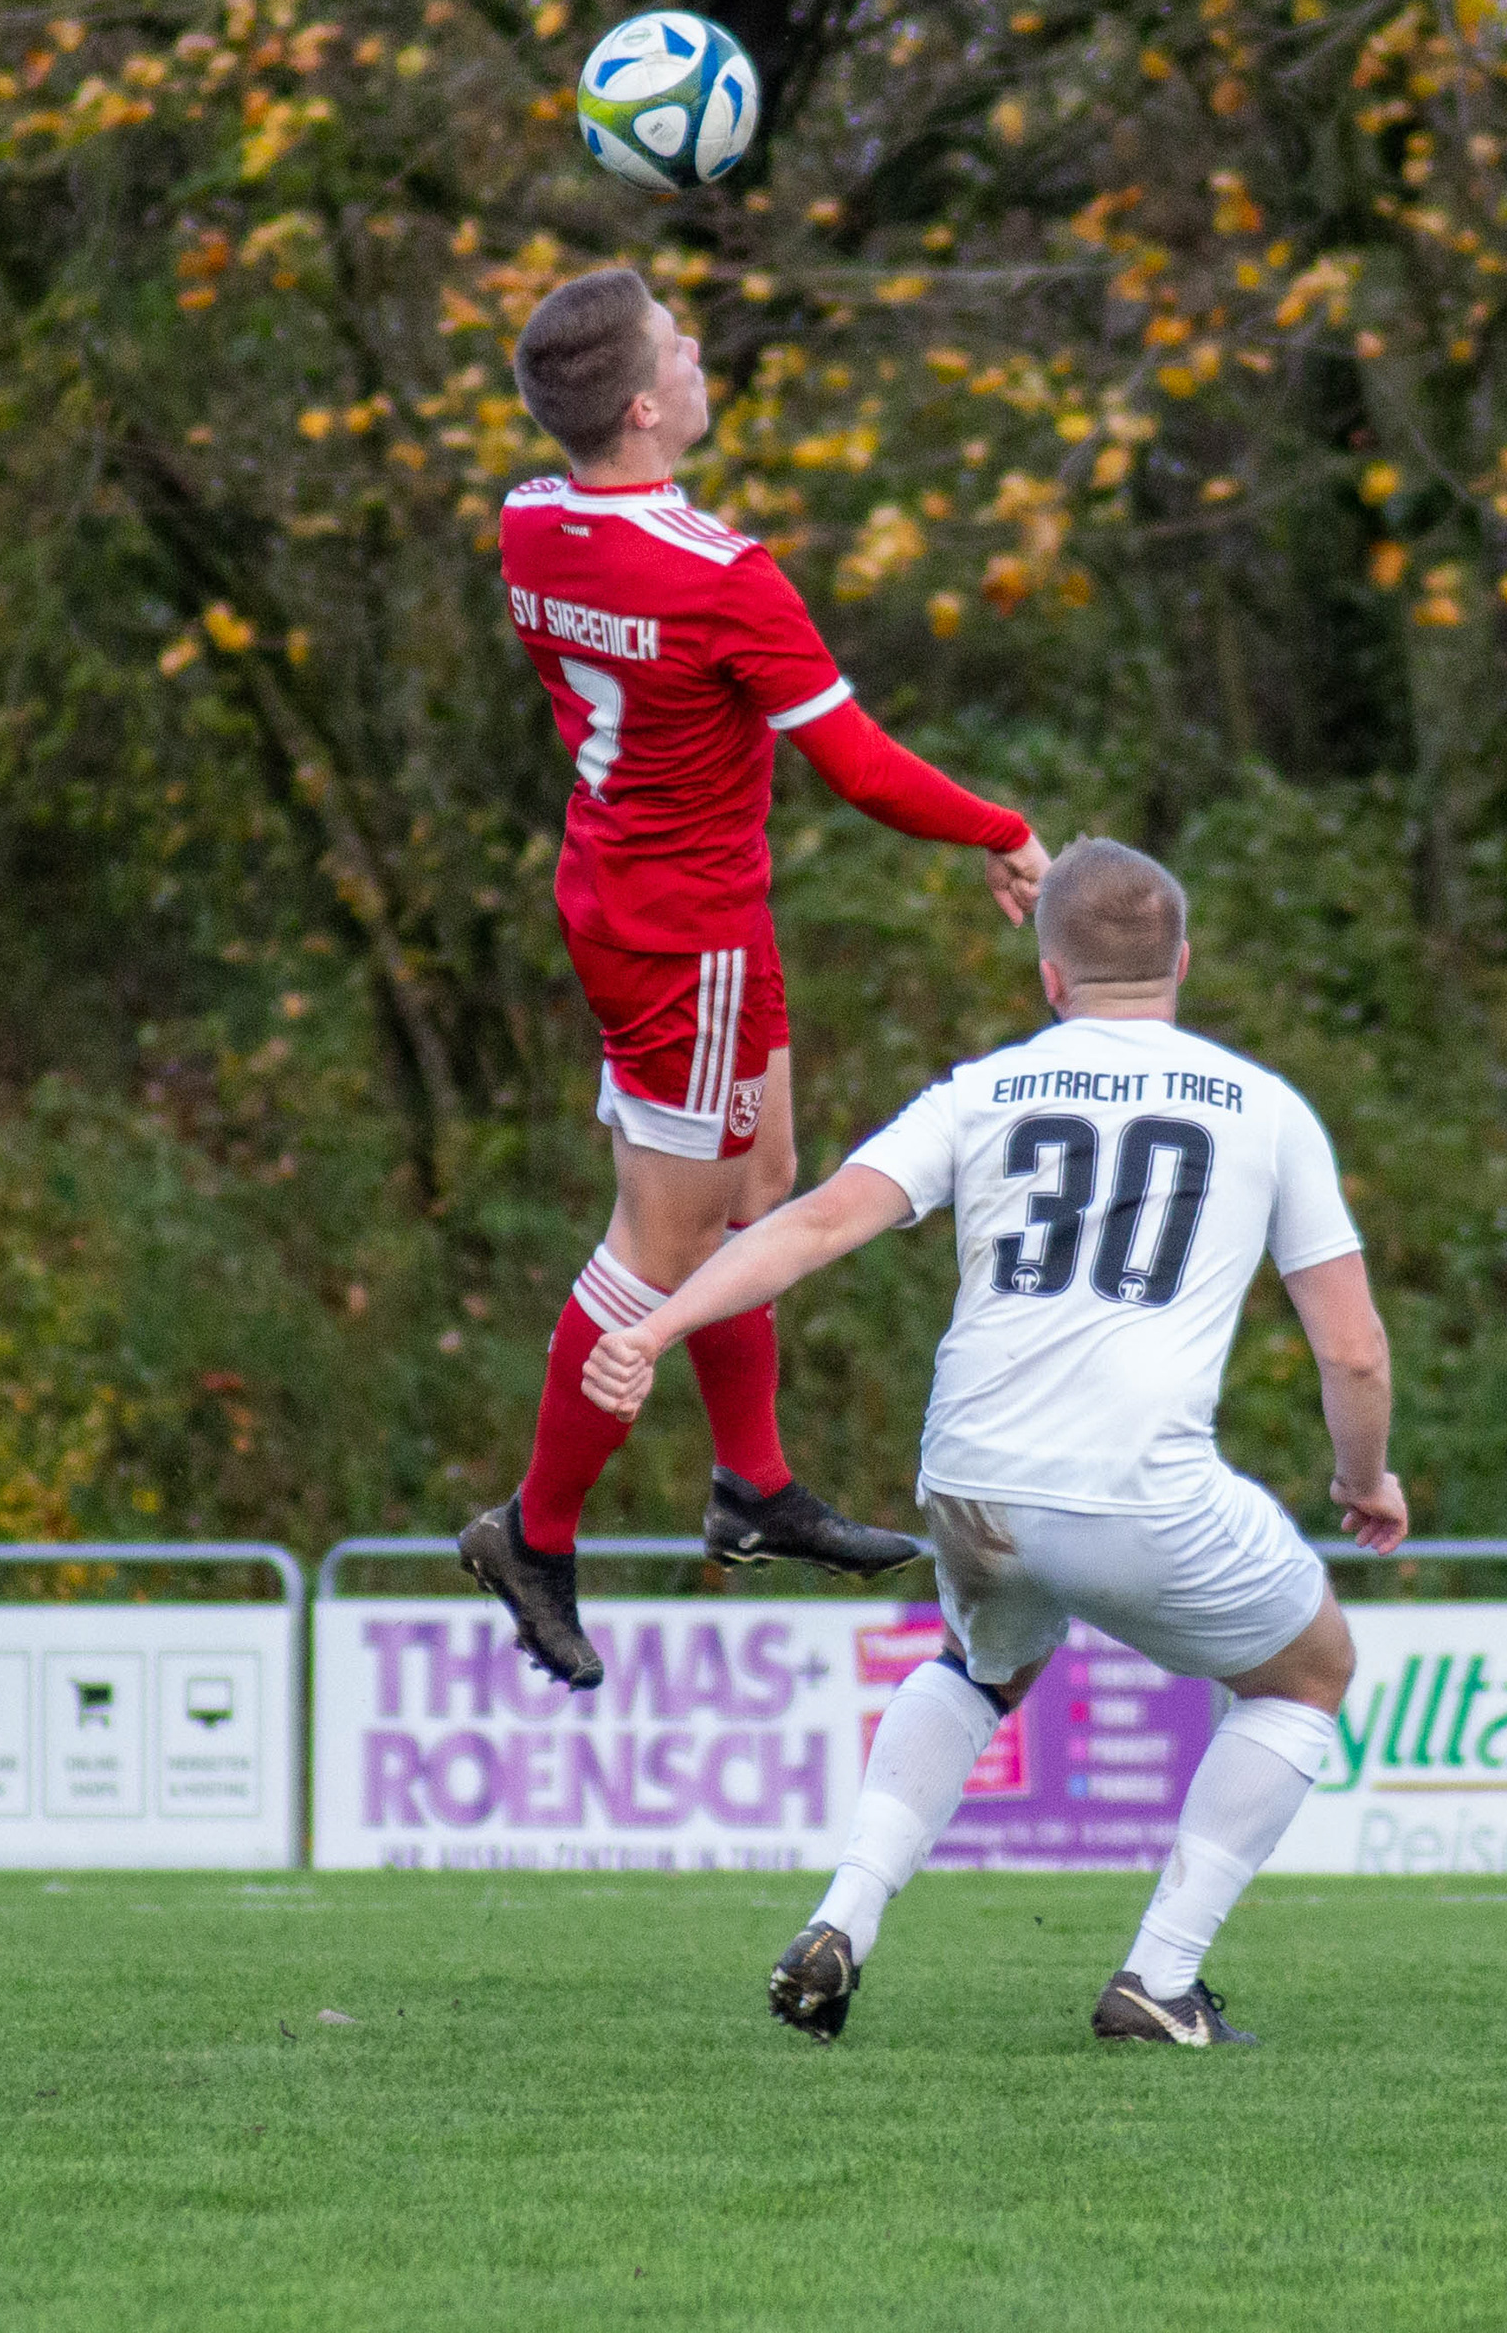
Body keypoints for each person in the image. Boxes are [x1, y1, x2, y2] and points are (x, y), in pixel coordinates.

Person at [584, 837, 1405, 2047]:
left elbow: (811, 1226)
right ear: (1182, 961)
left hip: (971, 1479)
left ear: (1051, 976)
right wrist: (1361, 1476)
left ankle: (843, 1919)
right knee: (1308, 1673)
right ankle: (1161, 1978)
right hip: (1135, 1486)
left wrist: (653, 1326)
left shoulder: (984, 1091)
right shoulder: (1266, 1110)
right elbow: (1354, 1351)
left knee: (980, 1668)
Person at [469, 267, 1054, 1691]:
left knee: (765, 1184)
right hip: (686, 939)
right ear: (645, 407)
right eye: (678, 344)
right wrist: (1000, 829)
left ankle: (755, 1485)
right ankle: (535, 1533)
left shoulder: (531, 520)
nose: (699, 354)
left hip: (632, 894)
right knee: (660, 1251)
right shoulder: (718, 573)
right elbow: (860, 767)